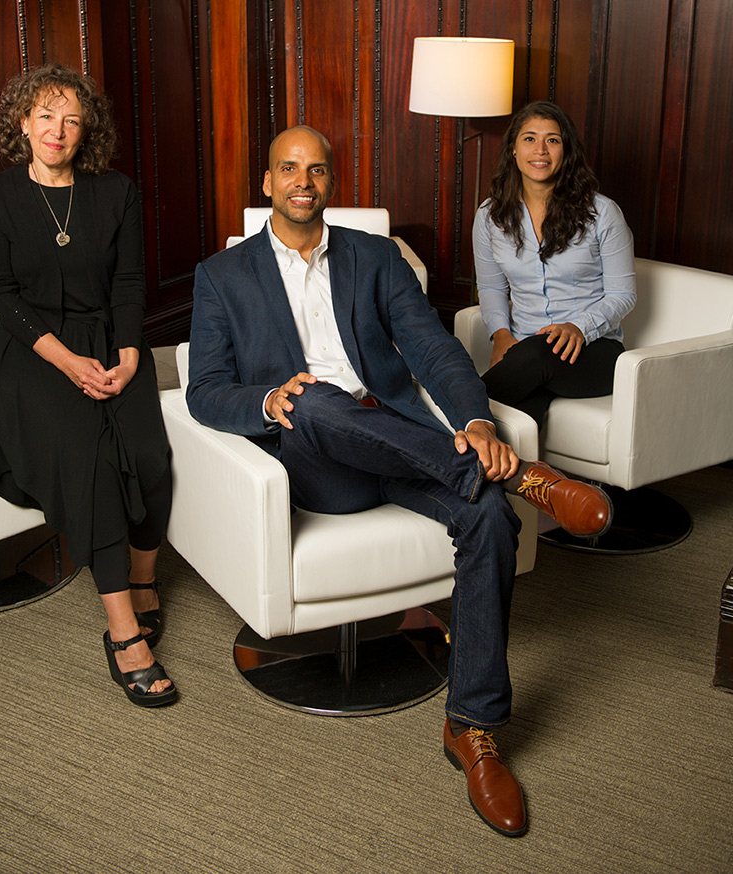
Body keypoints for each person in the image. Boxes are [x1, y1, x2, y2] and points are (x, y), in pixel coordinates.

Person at [187, 125, 612, 837]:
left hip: (403, 441)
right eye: (288, 169)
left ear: (331, 183)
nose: (303, 181)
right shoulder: (221, 277)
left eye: (317, 170)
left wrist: (476, 421)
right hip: (321, 464)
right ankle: (523, 478)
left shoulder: (375, 258)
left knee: (488, 520)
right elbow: (203, 389)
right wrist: (266, 402)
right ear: (266, 183)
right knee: (314, 398)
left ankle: (472, 731)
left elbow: (434, 349)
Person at [0, 64, 176, 707]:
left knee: (150, 456)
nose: (57, 130)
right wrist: (66, 362)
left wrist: (129, 356)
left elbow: (128, 284)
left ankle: (144, 579)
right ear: (22, 123)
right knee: (90, 461)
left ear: (88, 132)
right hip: (33, 354)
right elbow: (1, 295)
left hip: (112, 344)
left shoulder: (115, 193)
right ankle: (123, 631)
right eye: (44, 116)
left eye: (72, 119)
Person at [474, 101, 636, 428]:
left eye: (553, 140)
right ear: (513, 151)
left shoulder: (602, 213)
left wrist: (579, 327)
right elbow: (491, 287)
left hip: (593, 351)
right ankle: (517, 477)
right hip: (523, 348)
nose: (541, 150)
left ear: (566, 151)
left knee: (533, 358)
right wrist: (502, 335)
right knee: (519, 418)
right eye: (530, 138)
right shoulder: (490, 216)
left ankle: (448, 417)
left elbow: (623, 294)